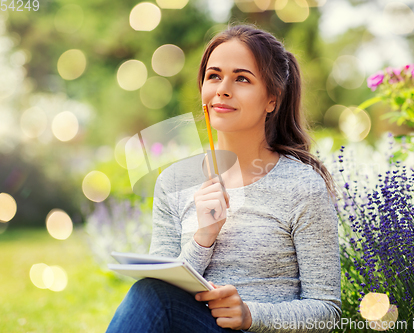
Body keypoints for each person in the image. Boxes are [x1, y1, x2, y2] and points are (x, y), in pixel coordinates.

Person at [106, 24, 341, 333]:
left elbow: (328, 311)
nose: (222, 89)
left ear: (272, 99)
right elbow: (159, 289)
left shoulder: (302, 186)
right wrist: (203, 237)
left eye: (242, 78)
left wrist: (250, 315)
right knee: (150, 291)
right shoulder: (174, 181)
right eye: (214, 76)